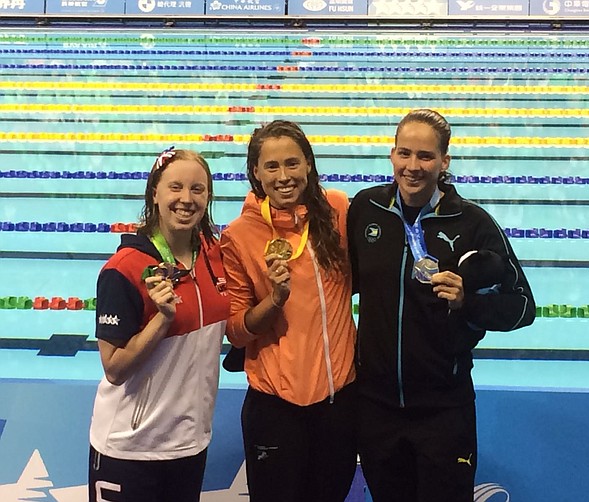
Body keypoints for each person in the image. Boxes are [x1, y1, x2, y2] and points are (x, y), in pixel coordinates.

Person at [347, 109, 535, 502]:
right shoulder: (367, 210)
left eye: (425, 156)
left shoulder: (472, 223)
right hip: (377, 406)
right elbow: (339, 283)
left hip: (443, 409)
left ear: (444, 161)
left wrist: (469, 303)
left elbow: (522, 306)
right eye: (404, 153)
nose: (412, 166)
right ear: (392, 155)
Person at [220, 120, 357, 502]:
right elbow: (236, 329)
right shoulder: (239, 235)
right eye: (272, 166)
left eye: (292, 163)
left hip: (339, 403)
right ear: (256, 174)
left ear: (309, 165)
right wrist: (274, 300)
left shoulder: (338, 211)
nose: (284, 176)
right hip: (275, 407)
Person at [88, 148, 230, 502]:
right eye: (175, 187)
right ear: (155, 193)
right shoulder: (123, 269)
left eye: (197, 189)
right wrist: (163, 319)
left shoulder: (215, 256)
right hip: (130, 449)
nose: (186, 199)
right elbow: (114, 369)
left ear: (208, 195)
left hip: (189, 445)